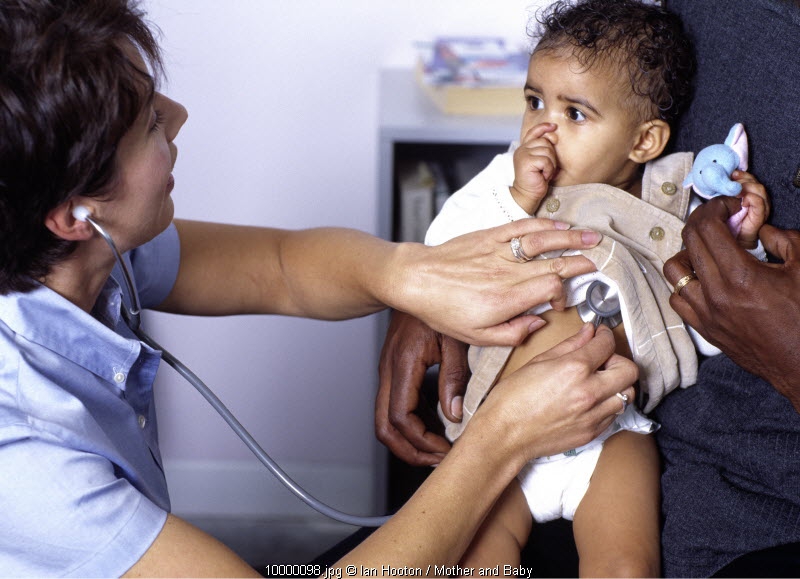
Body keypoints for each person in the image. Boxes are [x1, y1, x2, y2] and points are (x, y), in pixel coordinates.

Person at [0, 0, 643, 576]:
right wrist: (501, 437)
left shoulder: (82, 255)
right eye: (146, 124)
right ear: (75, 216)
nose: (179, 117)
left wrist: (413, 278)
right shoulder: (23, 459)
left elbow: (282, 266)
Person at [377, 0, 800, 576]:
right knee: (478, 560)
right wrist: (516, 202)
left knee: (626, 564)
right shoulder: (511, 183)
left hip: (616, 430)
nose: (542, 129)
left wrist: (743, 246)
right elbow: (447, 249)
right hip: (504, 428)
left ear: (644, 142)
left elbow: (719, 320)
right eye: (534, 102)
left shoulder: (668, 206)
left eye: (575, 114)